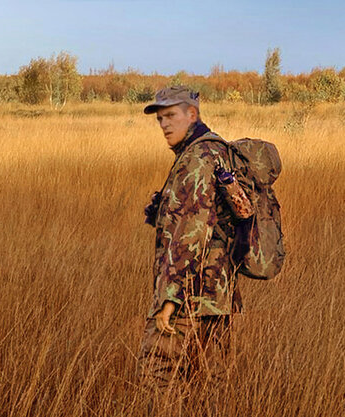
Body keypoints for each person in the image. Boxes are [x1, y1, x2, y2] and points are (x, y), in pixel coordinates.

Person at [137, 86, 246, 415]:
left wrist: (170, 298)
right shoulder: (215, 153)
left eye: (171, 116)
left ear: (192, 115)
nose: (164, 125)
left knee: (157, 376)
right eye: (160, 119)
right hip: (218, 296)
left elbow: (190, 231)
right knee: (211, 385)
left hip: (190, 294)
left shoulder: (195, 160)